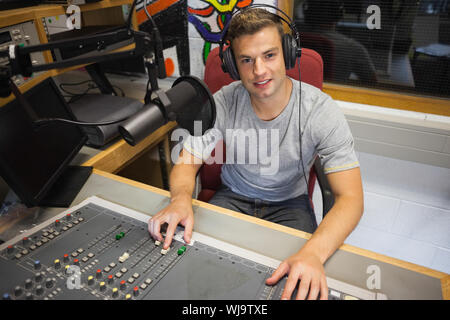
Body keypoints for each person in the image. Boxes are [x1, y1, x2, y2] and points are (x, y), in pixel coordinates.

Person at [148, 7, 364, 300]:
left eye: (270, 55)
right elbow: (187, 162)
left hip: (290, 206)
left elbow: (351, 198)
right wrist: (180, 199)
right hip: (232, 197)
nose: (259, 70)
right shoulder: (223, 101)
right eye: (247, 60)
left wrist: (313, 253)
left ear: (288, 54)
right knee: (198, 273)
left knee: (296, 286)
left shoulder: (320, 110)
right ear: (233, 66)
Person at [302, 0, 378, 84]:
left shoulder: (293, 40)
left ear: (307, 13)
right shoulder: (352, 48)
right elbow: (372, 83)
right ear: (338, 14)